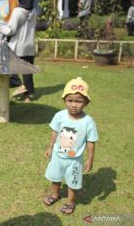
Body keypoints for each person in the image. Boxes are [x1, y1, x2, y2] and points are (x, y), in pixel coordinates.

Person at [43, 77, 98, 215]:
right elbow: (55, 132)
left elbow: (91, 141)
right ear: (64, 100)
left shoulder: (88, 122)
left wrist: (90, 159)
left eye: (78, 101)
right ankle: (55, 195)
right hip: (57, 156)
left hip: (74, 160)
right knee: (55, 177)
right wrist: (50, 147)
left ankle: (71, 202)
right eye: (70, 100)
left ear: (86, 102)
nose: (74, 105)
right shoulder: (59, 116)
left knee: (73, 182)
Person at [0, 0, 36, 102]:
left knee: (7, 66)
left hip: (19, 46)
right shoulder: (33, 11)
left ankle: (20, 85)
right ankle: (28, 96)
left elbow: (11, 30)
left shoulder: (18, 11)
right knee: (27, 71)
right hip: (30, 46)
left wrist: (1, 27)